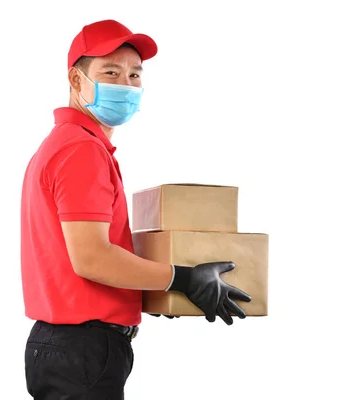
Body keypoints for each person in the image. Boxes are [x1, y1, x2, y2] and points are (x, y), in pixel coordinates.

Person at [20, 19, 252, 399]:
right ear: (76, 81)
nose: (125, 85)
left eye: (134, 74)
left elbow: (75, 261)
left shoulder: (67, 144)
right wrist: (183, 278)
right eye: (110, 72)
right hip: (83, 350)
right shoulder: (81, 151)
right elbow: (92, 258)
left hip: (69, 347)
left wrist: (149, 290)